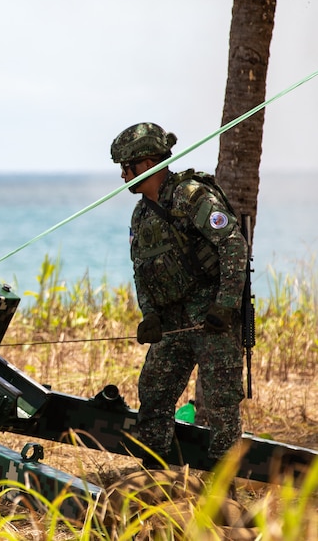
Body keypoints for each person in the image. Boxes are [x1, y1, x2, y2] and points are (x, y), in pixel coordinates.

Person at [110, 122, 248, 465]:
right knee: (153, 394)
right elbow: (141, 269)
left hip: (211, 318)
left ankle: (222, 486)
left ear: (148, 163)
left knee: (221, 406)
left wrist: (225, 305)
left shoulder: (191, 196)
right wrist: (150, 316)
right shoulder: (141, 214)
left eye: (127, 166)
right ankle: (155, 475)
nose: (123, 175)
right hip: (173, 323)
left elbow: (233, 246)